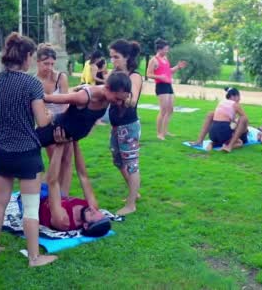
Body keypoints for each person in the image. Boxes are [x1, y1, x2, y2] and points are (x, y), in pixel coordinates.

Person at [0, 32, 57, 267]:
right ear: (27, 56)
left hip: (0, 150)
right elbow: (42, 122)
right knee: (30, 207)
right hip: (26, 152)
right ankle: (34, 258)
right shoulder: (32, 84)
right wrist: (48, 114)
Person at [36, 72, 132, 148]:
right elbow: (48, 98)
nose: (119, 103)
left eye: (122, 99)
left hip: (69, 137)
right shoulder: (84, 97)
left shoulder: (110, 95)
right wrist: (30, 89)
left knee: (65, 165)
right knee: (30, 153)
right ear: (107, 88)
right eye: (117, 99)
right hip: (52, 131)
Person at [38, 141, 111, 237]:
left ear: (85, 225)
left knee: (53, 156)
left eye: (92, 214)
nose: (92, 209)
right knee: (67, 160)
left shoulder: (63, 221)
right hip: (60, 197)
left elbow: (53, 182)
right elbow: (83, 175)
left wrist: (59, 145)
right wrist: (76, 142)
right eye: (98, 211)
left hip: (39, 199)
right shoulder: (92, 207)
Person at [108, 39, 143, 216]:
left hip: (129, 127)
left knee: (131, 164)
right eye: (111, 57)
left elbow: (133, 100)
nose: (113, 61)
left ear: (127, 57)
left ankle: (131, 204)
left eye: (116, 57)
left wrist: (120, 95)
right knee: (117, 161)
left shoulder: (133, 76)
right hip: (116, 126)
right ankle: (134, 191)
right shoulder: (115, 74)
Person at [35, 43, 73, 196]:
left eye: (52, 63)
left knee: (67, 160)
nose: (49, 67)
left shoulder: (61, 77)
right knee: (55, 161)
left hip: (64, 120)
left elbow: (65, 102)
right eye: (46, 64)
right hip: (46, 123)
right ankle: (51, 191)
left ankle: (64, 195)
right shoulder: (34, 81)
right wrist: (51, 123)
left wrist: (64, 126)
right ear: (37, 62)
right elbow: (40, 109)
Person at [146, 38, 188, 140]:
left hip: (168, 85)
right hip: (161, 86)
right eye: (165, 49)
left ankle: (165, 131)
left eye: (167, 49)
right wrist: (160, 77)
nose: (167, 51)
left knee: (170, 109)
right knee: (163, 110)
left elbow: (168, 72)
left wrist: (178, 67)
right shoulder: (154, 60)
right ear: (159, 49)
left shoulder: (165, 59)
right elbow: (148, 74)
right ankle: (159, 134)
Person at [190, 109, 262, 150]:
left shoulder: (259, 134)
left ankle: (217, 144)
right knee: (237, 121)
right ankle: (215, 143)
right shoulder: (254, 128)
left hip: (243, 136)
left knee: (241, 120)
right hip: (235, 132)